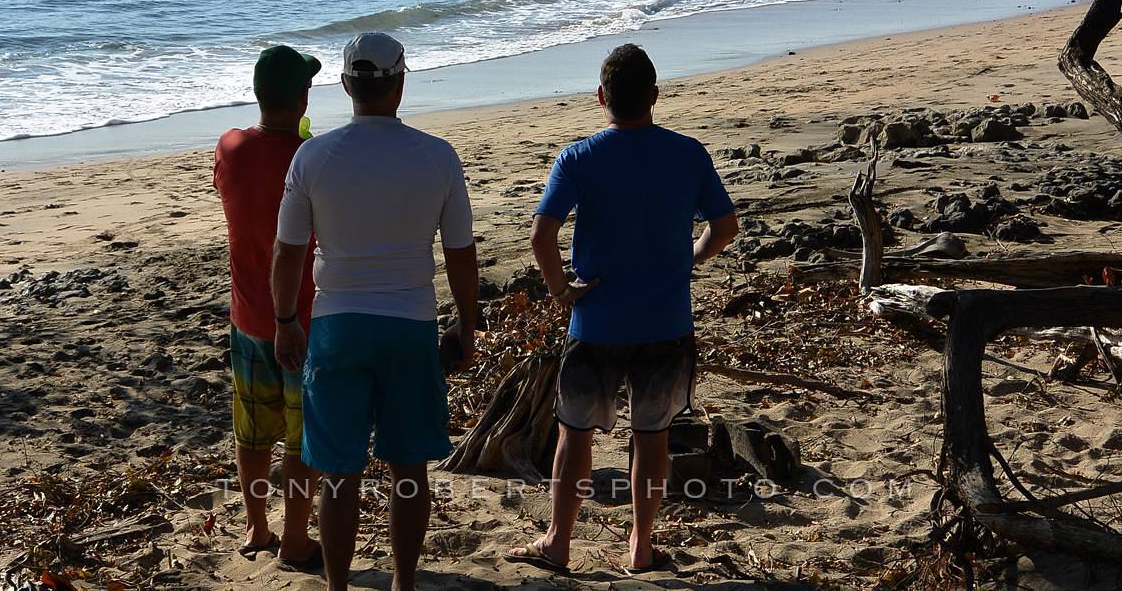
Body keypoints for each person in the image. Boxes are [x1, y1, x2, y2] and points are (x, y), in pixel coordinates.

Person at [506, 43, 738, 577]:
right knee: (651, 436)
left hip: (598, 319)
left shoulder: (580, 156)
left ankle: (559, 541)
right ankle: (639, 543)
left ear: (601, 97)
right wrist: (690, 258)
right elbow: (724, 227)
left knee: (575, 434)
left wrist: (561, 290)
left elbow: (542, 234)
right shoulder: (687, 153)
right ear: (654, 96)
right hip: (664, 318)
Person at [271, 32, 479, 591]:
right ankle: (403, 584)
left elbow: (289, 251)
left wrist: (286, 320)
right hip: (410, 323)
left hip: (338, 324)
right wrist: (466, 321)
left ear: (345, 86)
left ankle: (339, 587)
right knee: (409, 470)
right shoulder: (436, 156)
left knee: (339, 473)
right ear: (401, 82)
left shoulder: (313, 155)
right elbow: (460, 253)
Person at [213, 44, 324, 570]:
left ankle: (257, 524)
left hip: (249, 315)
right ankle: (295, 537)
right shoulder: (312, 159)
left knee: (253, 429)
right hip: (302, 316)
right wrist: (303, 144)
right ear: (302, 99)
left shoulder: (230, 148)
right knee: (302, 437)